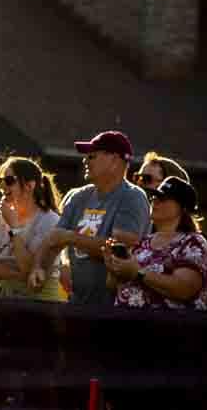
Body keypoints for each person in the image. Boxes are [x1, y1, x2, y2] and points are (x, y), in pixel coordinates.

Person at [41, 130, 151, 308]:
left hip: (117, 309)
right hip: (77, 305)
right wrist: (39, 268)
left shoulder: (133, 197)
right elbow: (53, 241)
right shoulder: (76, 197)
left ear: (114, 160)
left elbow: (119, 251)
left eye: (92, 156)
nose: (85, 160)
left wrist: (72, 238)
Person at [104, 175, 207, 311]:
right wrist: (114, 268)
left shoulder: (193, 242)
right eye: (154, 196)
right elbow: (113, 286)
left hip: (168, 323)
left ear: (183, 208)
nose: (155, 200)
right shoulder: (144, 242)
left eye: (162, 198)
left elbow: (185, 289)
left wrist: (138, 273)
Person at [0, 156, 64, 301]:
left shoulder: (49, 220)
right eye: (0, 181)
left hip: (38, 304)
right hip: (1, 299)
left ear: (30, 185)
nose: (3, 186)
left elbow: (32, 270)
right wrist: (18, 275)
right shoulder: (0, 217)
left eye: (9, 180)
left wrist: (14, 228)